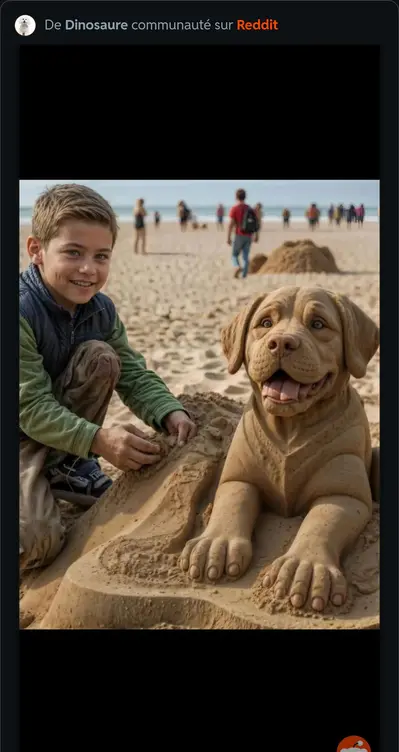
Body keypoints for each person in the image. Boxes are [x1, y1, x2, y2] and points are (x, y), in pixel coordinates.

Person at [19, 183, 197, 573]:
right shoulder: (20, 310)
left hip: (56, 429)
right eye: (73, 253)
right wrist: (99, 440)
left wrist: (169, 411)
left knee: (103, 355)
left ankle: (65, 466)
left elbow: (131, 372)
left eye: (101, 256)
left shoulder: (100, 310)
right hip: (19, 432)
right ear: (36, 250)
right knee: (38, 542)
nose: (89, 269)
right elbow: (30, 408)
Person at [227, 188, 259, 279]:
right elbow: (256, 223)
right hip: (249, 235)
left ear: (236, 197)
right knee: (245, 255)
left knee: (234, 255)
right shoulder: (250, 209)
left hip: (238, 234)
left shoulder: (235, 208)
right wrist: (256, 236)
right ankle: (244, 274)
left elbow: (231, 224)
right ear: (245, 197)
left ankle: (237, 266)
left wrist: (228, 237)